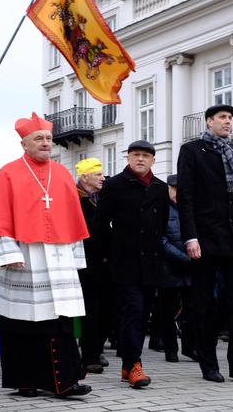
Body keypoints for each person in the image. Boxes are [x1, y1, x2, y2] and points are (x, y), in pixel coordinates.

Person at [0, 112, 91, 398]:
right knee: (21, 321)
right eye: (38, 138)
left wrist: (76, 257)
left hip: (59, 258)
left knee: (59, 320)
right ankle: (25, 380)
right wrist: (7, 254)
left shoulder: (63, 173)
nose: (45, 143)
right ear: (24, 144)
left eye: (48, 138)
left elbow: (74, 220)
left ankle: (65, 381)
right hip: (24, 257)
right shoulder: (8, 173)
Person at [177, 104, 233, 384]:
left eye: (230, 118)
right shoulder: (192, 151)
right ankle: (208, 364)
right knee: (203, 304)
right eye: (222, 117)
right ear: (209, 122)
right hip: (205, 239)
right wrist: (190, 236)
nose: (228, 122)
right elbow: (185, 198)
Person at [94, 140, 169, 388]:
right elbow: (100, 224)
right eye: (136, 155)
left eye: (146, 156)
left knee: (142, 312)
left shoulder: (160, 187)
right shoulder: (115, 184)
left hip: (151, 263)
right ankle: (135, 364)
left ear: (153, 160)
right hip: (124, 261)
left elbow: (163, 226)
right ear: (128, 157)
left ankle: (128, 365)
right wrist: (107, 254)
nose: (140, 159)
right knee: (133, 311)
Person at [74, 158, 110, 375]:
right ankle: (89, 357)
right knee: (90, 311)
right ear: (85, 177)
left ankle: (96, 350)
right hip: (85, 263)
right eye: (97, 174)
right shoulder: (76, 199)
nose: (102, 177)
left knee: (106, 310)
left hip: (104, 262)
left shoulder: (101, 198)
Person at [159, 174, 194, 363]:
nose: (178, 193)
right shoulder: (163, 209)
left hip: (190, 268)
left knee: (191, 310)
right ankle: (170, 349)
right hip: (169, 268)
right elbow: (161, 240)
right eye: (175, 189)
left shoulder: (191, 208)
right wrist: (184, 258)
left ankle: (190, 347)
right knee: (168, 312)